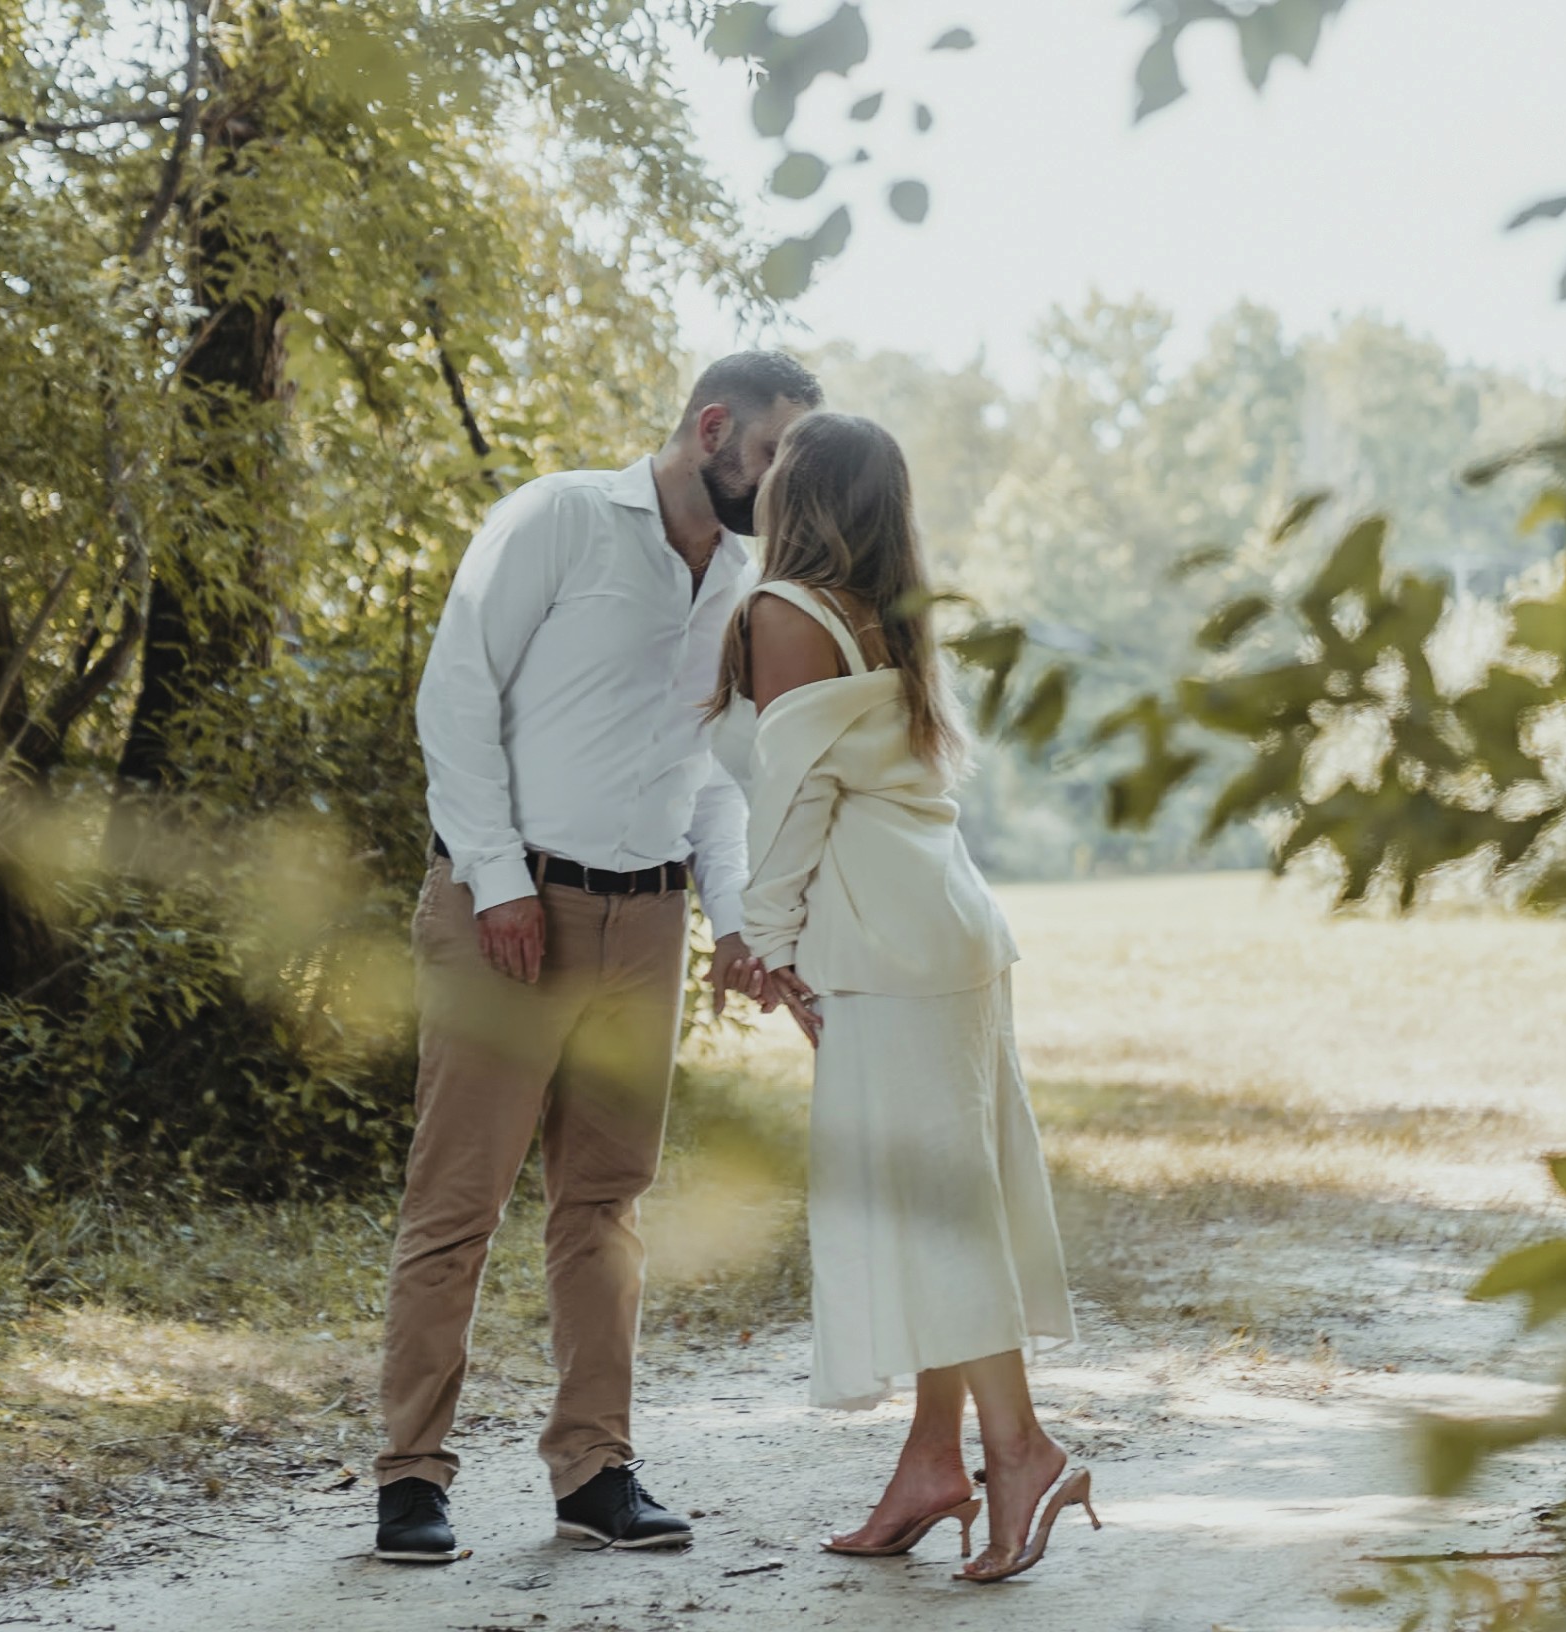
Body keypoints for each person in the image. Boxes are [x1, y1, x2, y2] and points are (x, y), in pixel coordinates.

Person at [372, 353, 823, 1563]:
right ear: (713, 427)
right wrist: (501, 882)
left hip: (650, 921)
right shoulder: (558, 517)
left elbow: (716, 779)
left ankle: (595, 1470)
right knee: (456, 1202)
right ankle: (411, 1478)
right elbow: (454, 699)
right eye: (774, 453)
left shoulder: (742, 582)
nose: (782, 483)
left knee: (608, 1206)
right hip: (505, 911)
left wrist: (734, 921)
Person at [705, 412, 1096, 1583]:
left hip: (888, 949)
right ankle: (934, 1462)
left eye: (777, 469)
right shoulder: (889, 618)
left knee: (937, 1214)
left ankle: (1021, 1451)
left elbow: (788, 804)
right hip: (948, 933)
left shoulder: (785, 614)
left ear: (800, 493)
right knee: (950, 1200)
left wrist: (763, 944)